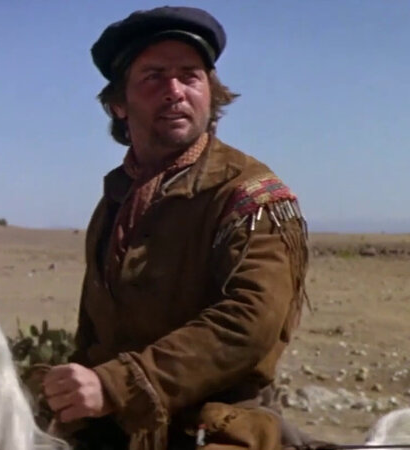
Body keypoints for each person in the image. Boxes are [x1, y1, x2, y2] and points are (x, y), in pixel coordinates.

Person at [42, 6, 311, 450]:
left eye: (190, 76)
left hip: (215, 426)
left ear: (210, 93)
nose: (174, 91)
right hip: (116, 427)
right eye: (153, 77)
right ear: (119, 104)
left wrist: (117, 385)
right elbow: (93, 332)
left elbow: (249, 320)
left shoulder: (250, 193)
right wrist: (68, 391)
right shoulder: (117, 198)